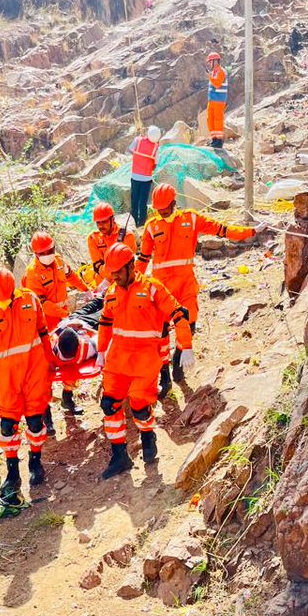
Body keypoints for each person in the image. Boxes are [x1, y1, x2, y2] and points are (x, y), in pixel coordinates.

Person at [137, 183, 266, 393]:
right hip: (160, 288)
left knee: (190, 326)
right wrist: (132, 284)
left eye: (165, 210)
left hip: (186, 284)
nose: (162, 213)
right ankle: (164, 377)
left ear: (174, 204)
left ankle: (178, 361)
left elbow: (222, 230)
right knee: (161, 334)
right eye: (158, 211)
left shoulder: (192, 219)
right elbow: (142, 259)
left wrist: (251, 231)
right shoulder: (151, 227)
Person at [96, 243, 194, 478]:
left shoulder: (152, 288)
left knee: (140, 408)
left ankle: (148, 436)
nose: (115, 276)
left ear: (131, 266)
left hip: (144, 360)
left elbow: (179, 313)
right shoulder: (111, 293)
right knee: (109, 405)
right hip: (117, 360)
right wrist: (101, 351)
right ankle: (119, 455)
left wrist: (186, 345)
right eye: (112, 272)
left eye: (119, 271)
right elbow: (105, 322)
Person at [0, 268, 55, 504]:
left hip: (34, 371)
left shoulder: (30, 300)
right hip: (7, 380)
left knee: (36, 421)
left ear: (13, 291)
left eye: (5, 299)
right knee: (8, 425)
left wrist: (51, 363)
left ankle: (36, 463)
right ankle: (12, 473)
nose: (2, 304)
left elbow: (44, 333)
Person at [24, 231, 89, 414]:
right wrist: (64, 314)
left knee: (70, 356)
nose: (47, 256)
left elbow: (71, 276)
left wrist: (86, 289)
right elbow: (42, 304)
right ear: (35, 254)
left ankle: (68, 398)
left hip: (63, 321)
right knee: (47, 368)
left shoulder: (59, 261)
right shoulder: (33, 274)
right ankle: (46, 414)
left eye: (50, 251)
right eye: (42, 253)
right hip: (45, 325)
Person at [87, 203, 137, 282]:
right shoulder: (93, 238)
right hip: (103, 282)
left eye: (104, 221)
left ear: (113, 219)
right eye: (98, 223)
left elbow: (128, 266)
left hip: (124, 281)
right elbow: (98, 268)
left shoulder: (127, 236)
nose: (101, 226)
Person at [128, 126, 161, 227]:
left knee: (134, 200)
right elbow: (155, 164)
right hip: (146, 179)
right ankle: (142, 224)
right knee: (143, 202)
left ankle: (133, 222)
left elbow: (129, 150)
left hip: (135, 176)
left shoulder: (137, 140)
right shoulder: (156, 147)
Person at [205, 52, 227, 148]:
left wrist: (209, 76)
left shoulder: (221, 71)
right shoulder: (214, 72)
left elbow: (217, 84)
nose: (209, 64)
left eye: (210, 62)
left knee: (218, 120)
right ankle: (214, 139)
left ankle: (219, 141)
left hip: (219, 100)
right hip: (212, 100)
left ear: (215, 61)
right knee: (210, 119)